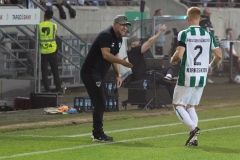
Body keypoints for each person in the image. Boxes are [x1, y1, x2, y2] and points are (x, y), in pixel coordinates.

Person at [170, 7, 222, 146]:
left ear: (188, 19)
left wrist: (172, 60)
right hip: (202, 75)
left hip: (187, 75)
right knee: (191, 106)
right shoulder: (208, 34)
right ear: (200, 18)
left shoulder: (184, 34)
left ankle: (193, 129)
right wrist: (210, 66)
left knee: (177, 105)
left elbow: (179, 55)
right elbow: (219, 56)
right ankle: (194, 139)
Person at [80, 15, 133, 142]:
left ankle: (97, 133)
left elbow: (114, 55)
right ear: (114, 24)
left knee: (100, 103)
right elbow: (106, 55)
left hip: (98, 74)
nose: (124, 27)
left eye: (126, 25)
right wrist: (122, 62)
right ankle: (97, 134)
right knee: (100, 103)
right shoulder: (106, 35)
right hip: (90, 72)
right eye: (122, 24)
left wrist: (118, 74)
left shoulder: (119, 38)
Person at [127, 26, 177, 100]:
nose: (139, 42)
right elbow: (150, 42)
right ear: (133, 43)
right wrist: (160, 32)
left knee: (170, 68)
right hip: (143, 75)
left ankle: (168, 76)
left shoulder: (135, 51)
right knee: (166, 81)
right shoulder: (134, 51)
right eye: (137, 41)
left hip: (147, 72)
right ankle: (175, 100)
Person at [39, 10, 62, 95]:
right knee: (55, 71)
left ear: (44, 15)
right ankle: (58, 89)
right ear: (51, 17)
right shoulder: (54, 26)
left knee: (44, 72)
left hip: (43, 51)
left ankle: (47, 89)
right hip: (52, 50)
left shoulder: (39, 25)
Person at [199, 7, 215, 83]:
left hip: (209, 43)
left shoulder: (209, 22)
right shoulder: (202, 21)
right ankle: (202, 77)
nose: (209, 15)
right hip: (203, 43)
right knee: (203, 60)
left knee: (209, 60)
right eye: (207, 13)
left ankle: (207, 76)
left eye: (209, 13)